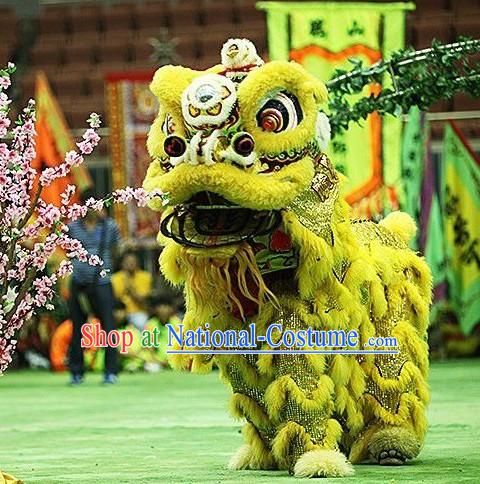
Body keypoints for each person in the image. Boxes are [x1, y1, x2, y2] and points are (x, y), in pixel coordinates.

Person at [67, 189, 121, 385]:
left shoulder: (110, 226)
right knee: (77, 328)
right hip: (78, 283)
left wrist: (104, 269)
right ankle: (76, 371)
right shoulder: (72, 227)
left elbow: (115, 251)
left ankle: (111, 371)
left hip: (103, 283)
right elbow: (68, 253)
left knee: (109, 327)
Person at [111, 251, 153, 331]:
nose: (130, 264)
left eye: (133, 262)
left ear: (137, 263)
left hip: (138, 312)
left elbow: (141, 299)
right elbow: (115, 298)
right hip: (120, 312)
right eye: (127, 262)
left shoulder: (145, 276)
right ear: (122, 263)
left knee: (142, 323)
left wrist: (130, 288)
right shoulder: (115, 278)